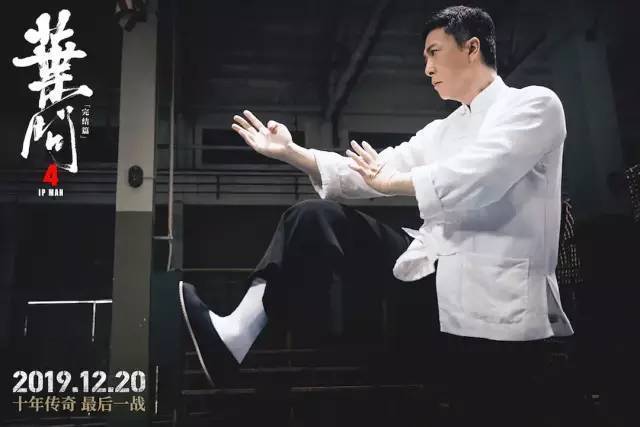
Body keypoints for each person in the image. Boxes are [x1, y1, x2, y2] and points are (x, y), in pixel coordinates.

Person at [179, 5, 574, 425]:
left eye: (434, 53)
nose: (427, 68)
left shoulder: (534, 105)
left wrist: (394, 183)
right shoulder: (441, 132)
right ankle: (235, 335)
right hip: (432, 279)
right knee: (313, 217)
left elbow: (482, 177)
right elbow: (369, 173)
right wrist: (293, 153)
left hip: (499, 306)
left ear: (471, 47)